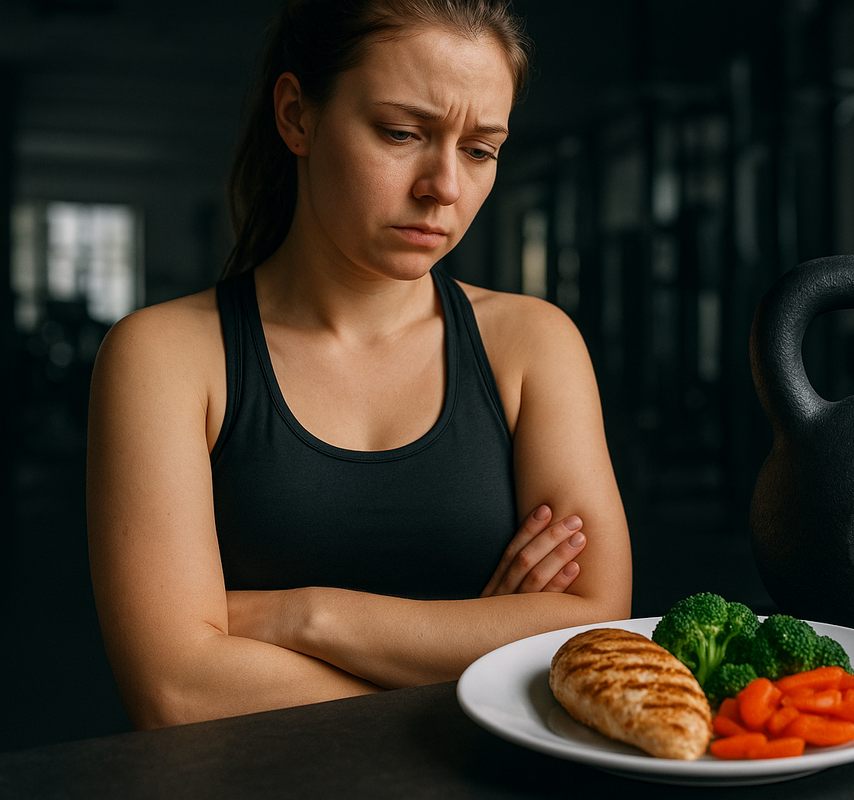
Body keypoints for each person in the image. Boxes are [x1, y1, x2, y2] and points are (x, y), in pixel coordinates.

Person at [86, 0, 632, 730]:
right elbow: (177, 693)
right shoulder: (164, 357)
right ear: (297, 117)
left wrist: (302, 616)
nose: (443, 186)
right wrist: (482, 663)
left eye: (480, 149)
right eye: (402, 133)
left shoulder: (534, 344)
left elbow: (593, 629)